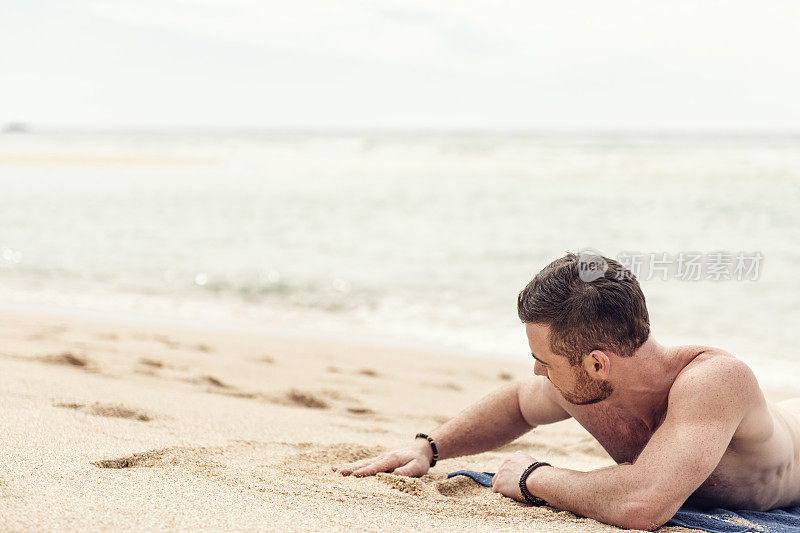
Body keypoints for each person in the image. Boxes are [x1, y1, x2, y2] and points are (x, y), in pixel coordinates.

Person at [332, 252, 800, 531]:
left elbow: (644, 504)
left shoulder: (714, 381)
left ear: (598, 363)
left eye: (546, 360)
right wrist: (428, 448)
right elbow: (518, 403)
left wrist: (535, 477)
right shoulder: (585, 386)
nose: (537, 371)